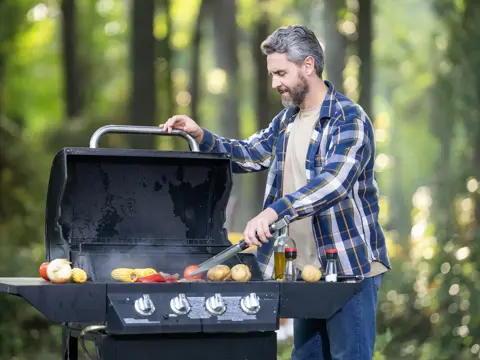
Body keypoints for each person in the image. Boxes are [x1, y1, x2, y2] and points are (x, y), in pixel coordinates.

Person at [161, 24, 391, 360]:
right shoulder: (286, 121)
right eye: (271, 73)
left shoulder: (348, 119)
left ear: (308, 66)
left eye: (281, 72)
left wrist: (274, 211)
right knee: (305, 357)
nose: (274, 83)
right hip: (304, 273)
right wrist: (199, 135)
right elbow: (248, 154)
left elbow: (334, 183)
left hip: (348, 268)